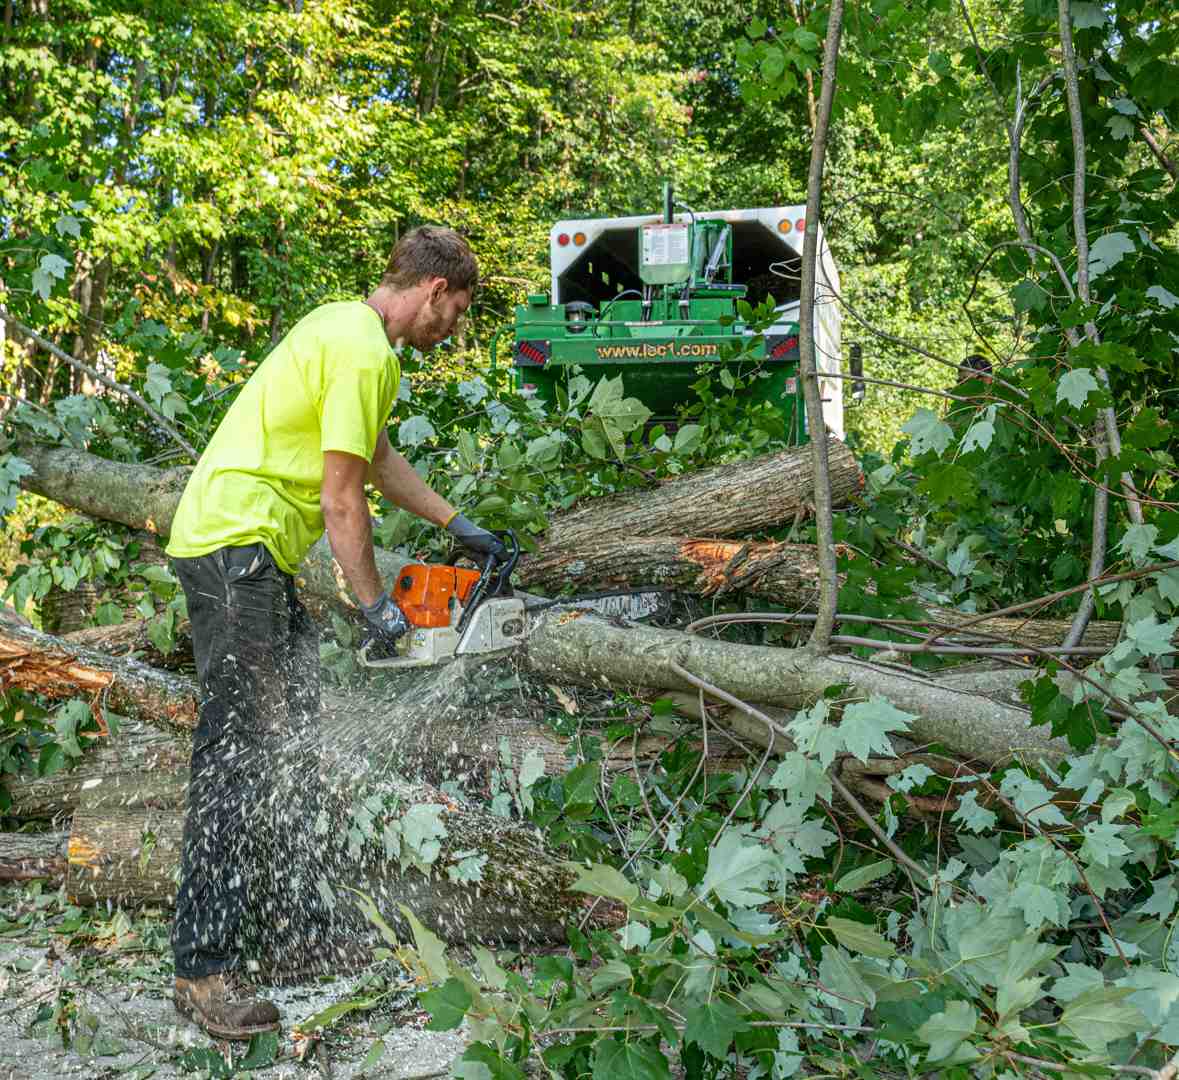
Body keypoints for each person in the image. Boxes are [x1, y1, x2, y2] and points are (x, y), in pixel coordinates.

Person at [164, 226, 506, 1040]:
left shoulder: (343, 329)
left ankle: (289, 933)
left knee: (293, 737)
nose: (452, 328)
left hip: (251, 552)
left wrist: (461, 525)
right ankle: (202, 970)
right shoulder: (363, 352)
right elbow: (342, 499)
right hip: (232, 546)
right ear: (433, 291)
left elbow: (377, 460)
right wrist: (374, 604)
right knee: (238, 753)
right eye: (455, 311)